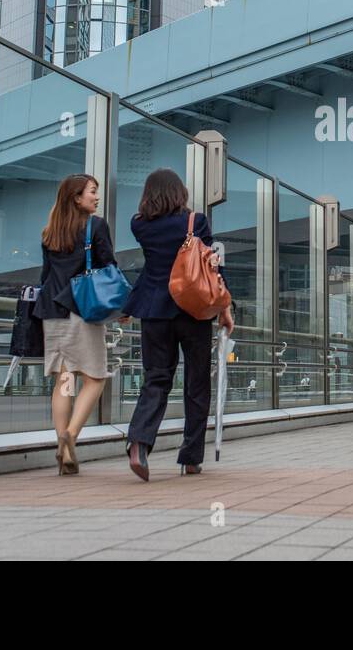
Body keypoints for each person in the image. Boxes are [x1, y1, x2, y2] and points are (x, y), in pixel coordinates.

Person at [123, 168, 234, 481]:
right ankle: (190, 458)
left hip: (154, 311)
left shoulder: (139, 225)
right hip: (193, 310)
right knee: (197, 382)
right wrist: (225, 308)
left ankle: (139, 442)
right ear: (179, 192)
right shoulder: (195, 222)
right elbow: (213, 267)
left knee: (156, 379)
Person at [34, 173, 115, 476]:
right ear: (76, 198)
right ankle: (71, 434)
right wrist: (121, 305)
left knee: (64, 381)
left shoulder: (49, 231)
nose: (96, 197)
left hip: (51, 312)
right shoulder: (95, 226)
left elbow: (44, 277)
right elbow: (108, 266)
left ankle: (60, 443)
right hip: (82, 309)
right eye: (92, 192)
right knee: (95, 378)